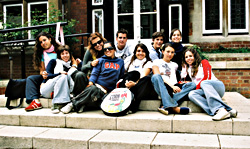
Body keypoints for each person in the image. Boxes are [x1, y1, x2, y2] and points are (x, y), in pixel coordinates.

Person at [61, 41, 125, 114]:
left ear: (114, 49)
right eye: (105, 49)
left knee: (94, 90)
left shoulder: (120, 62)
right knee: (80, 75)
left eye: (109, 48)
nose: (107, 50)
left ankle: (73, 104)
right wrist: (91, 84)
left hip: (105, 92)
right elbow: (94, 73)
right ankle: (79, 103)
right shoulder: (100, 60)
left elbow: (121, 77)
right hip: (96, 86)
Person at [24, 32, 78, 111]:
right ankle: (35, 101)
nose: (43, 43)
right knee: (30, 79)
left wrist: (73, 67)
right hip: (49, 76)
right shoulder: (41, 54)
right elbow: (42, 70)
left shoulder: (60, 50)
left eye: (44, 40)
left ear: (49, 39)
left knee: (62, 77)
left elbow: (73, 61)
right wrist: (43, 74)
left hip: (61, 75)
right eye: (41, 42)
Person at [182, 47, 237, 121]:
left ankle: (220, 108)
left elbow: (207, 77)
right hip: (205, 90)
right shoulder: (189, 69)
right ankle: (220, 111)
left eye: (190, 56)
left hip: (217, 87)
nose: (188, 58)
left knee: (204, 83)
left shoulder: (204, 62)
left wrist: (196, 87)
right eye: (186, 57)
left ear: (195, 56)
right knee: (192, 94)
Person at [40, 45, 88, 114]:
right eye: (62, 54)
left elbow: (82, 75)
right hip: (49, 90)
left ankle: (67, 103)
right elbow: (48, 76)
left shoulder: (73, 65)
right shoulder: (54, 62)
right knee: (63, 76)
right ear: (59, 55)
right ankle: (55, 105)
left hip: (66, 91)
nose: (65, 55)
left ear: (70, 54)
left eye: (67, 53)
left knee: (67, 76)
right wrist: (59, 73)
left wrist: (79, 64)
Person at [151, 43, 196, 115]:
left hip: (174, 86)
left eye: (172, 52)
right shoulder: (156, 61)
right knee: (156, 76)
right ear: (162, 52)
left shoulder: (175, 65)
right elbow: (157, 74)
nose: (170, 54)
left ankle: (166, 104)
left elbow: (176, 77)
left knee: (192, 84)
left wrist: (182, 83)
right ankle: (173, 107)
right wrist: (172, 86)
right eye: (168, 51)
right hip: (162, 85)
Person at [118, 43, 159, 113]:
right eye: (138, 51)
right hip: (130, 85)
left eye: (143, 51)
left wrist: (134, 84)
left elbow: (143, 75)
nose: (140, 53)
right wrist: (127, 83)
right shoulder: (131, 62)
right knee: (132, 74)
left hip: (142, 87)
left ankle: (133, 105)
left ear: (146, 53)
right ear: (135, 52)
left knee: (146, 79)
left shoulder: (148, 62)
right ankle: (121, 103)